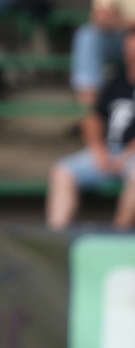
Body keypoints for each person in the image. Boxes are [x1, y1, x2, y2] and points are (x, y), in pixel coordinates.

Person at [47, 32, 135, 231]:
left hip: (132, 156)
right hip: (109, 149)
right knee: (63, 170)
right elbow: (93, 118)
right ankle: (56, 236)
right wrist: (98, 149)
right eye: (130, 54)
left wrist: (128, 153)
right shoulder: (115, 84)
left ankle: (118, 237)